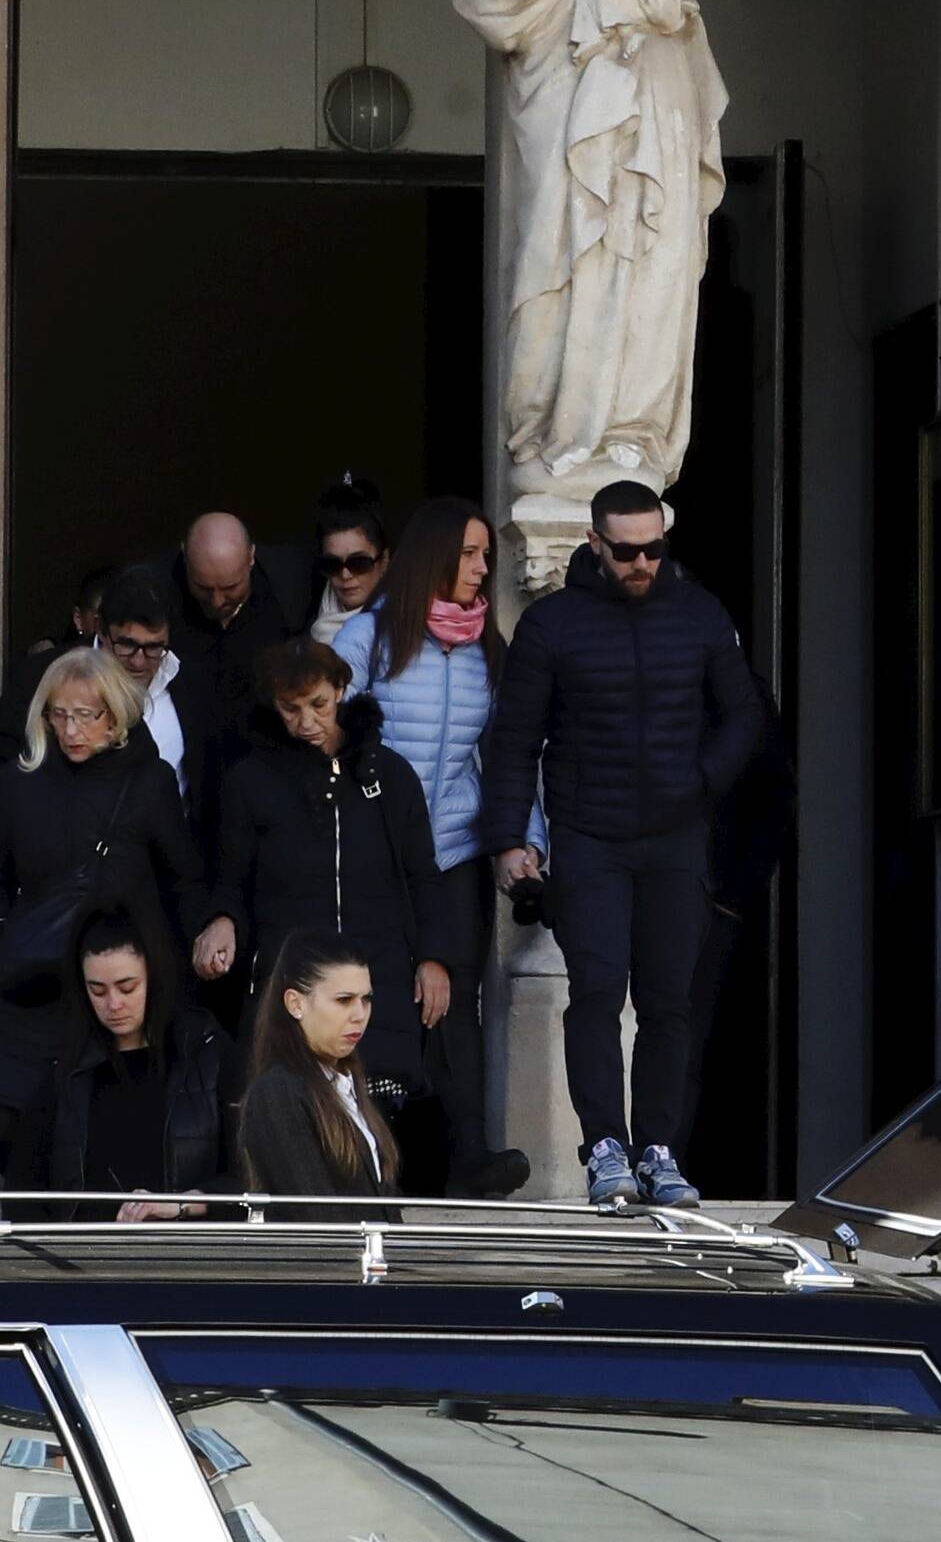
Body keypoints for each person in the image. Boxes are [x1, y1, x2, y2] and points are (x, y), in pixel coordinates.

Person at [478, 478, 768, 1212]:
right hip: (590, 837)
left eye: (654, 548)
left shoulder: (699, 614)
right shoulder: (553, 624)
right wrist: (511, 839)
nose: (642, 563)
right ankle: (606, 1148)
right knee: (598, 993)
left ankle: (660, 1150)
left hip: (676, 837)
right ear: (595, 544)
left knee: (669, 1001)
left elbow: (744, 715)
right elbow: (514, 739)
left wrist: (699, 782)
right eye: (627, 550)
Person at [199, 638, 459, 1143]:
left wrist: (434, 957)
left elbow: (423, 874)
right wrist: (221, 920)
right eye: (290, 709)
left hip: (380, 969)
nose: (306, 722)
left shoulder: (389, 773)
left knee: (384, 1118)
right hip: (288, 971)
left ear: (341, 689)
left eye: (318, 704)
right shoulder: (252, 781)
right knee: (292, 1113)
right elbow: (231, 878)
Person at [0, 645, 200, 1177]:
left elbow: (181, 877)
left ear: (113, 715)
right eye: (59, 714)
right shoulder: (19, 780)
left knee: (95, 1122)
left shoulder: (148, 783)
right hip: (32, 976)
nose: (71, 730)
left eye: (85, 716)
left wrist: (173, 958)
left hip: (112, 981)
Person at [369, 498, 525, 1198]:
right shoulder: (370, 639)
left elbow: (511, 757)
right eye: (469, 553)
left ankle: (469, 1160)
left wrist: (523, 841)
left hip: (455, 852)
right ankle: (381, 1163)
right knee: (377, 1004)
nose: (482, 567)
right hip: (381, 854)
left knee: (456, 1003)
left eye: (484, 554)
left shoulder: (490, 649)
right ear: (434, 556)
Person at [0, 565, 187, 841]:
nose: (139, 661)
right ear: (101, 631)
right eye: (126, 645)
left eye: (153, 648)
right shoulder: (44, 675)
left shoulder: (190, 682)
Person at [9, 916, 223, 1207]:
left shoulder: (205, 1052)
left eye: (127, 987)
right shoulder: (68, 1071)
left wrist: (181, 1206)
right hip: (87, 1248)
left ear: (154, 978)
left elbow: (246, 1174)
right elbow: (24, 1191)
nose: (113, 1004)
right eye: (97, 991)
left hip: (187, 1246)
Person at [152, 509, 318, 835]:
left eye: (230, 587)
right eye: (203, 586)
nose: (217, 600)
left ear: (252, 559)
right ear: (184, 556)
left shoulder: (290, 590)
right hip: (187, 804)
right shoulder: (157, 593)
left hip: (268, 802)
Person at [236, 930, 401, 1209]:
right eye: (344, 1000)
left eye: (366, 999)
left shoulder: (347, 1085)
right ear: (295, 1003)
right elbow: (313, 1217)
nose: (360, 1014)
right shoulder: (277, 1092)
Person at [308, 477, 395, 693]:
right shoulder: (302, 615)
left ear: (384, 560)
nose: (345, 574)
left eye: (359, 563)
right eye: (332, 564)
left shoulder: (405, 626)